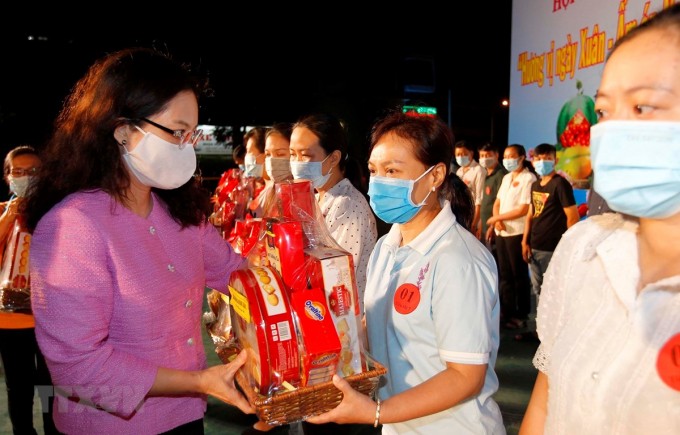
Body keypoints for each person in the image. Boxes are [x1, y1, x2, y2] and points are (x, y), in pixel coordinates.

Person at [23, 47, 254, 434]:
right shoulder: (73, 227)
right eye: (177, 132)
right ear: (123, 130)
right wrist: (198, 382)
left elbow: (234, 272)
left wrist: (303, 285)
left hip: (183, 418)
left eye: (192, 134)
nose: (187, 146)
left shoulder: (179, 214)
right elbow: (76, 367)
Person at [520, 4, 680, 433]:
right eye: (605, 113)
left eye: (644, 108)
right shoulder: (584, 248)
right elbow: (544, 405)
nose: (613, 133)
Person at [307, 111, 505, 434]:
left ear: (435, 175)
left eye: (392, 171)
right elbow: (375, 328)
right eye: (374, 171)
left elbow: (465, 376)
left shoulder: (458, 260)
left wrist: (375, 411)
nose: (379, 182)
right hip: (398, 425)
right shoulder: (387, 247)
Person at [289, 113, 377, 314]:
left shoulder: (346, 205)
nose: (296, 162)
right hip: (320, 311)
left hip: (342, 323)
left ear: (334, 158)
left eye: (306, 155)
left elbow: (338, 278)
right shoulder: (316, 197)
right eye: (292, 154)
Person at [0, 145, 58, 435]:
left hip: (53, 318)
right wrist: (8, 219)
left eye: (33, 172)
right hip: (10, 320)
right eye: (17, 172)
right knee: (18, 389)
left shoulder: (59, 213)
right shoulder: (1, 214)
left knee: (52, 388)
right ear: (7, 177)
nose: (25, 177)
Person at [518, 143, 579, 342]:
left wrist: (568, 247)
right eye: (539, 158)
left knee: (554, 292)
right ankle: (540, 331)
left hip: (554, 249)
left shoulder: (560, 184)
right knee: (538, 291)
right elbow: (530, 214)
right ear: (533, 160)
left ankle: (554, 334)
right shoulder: (535, 184)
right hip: (534, 246)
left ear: (555, 160)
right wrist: (525, 241)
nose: (542, 161)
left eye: (547, 158)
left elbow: (572, 217)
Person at [487, 144, 537, 330]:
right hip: (502, 232)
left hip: (517, 232)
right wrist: (497, 221)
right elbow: (497, 202)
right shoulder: (507, 177)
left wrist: (497, 218)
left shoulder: (528, 178)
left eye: (512, 156)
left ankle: (521, 313)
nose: (508, 160)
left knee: (519, 275)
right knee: (505, 274)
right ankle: (507, 312)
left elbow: (523, 209)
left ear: (522, 158)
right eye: (506, 156)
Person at [478, 142, 508, 253]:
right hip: (485, 225)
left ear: (496, 155)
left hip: (495, 226)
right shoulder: (486, 174)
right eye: (482, 156)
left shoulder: (501, 175)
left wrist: (492, 225)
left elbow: (500, 203)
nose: (485, 159)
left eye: (488, 155)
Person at [454, 139, 485, 238]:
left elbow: (479, 198)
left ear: (471, 153)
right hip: (461, 214)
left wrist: (474, 222)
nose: (460, 157)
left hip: (474, 216)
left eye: (464, 154)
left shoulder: (479, 170)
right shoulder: (459, 171)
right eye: (458, 155)